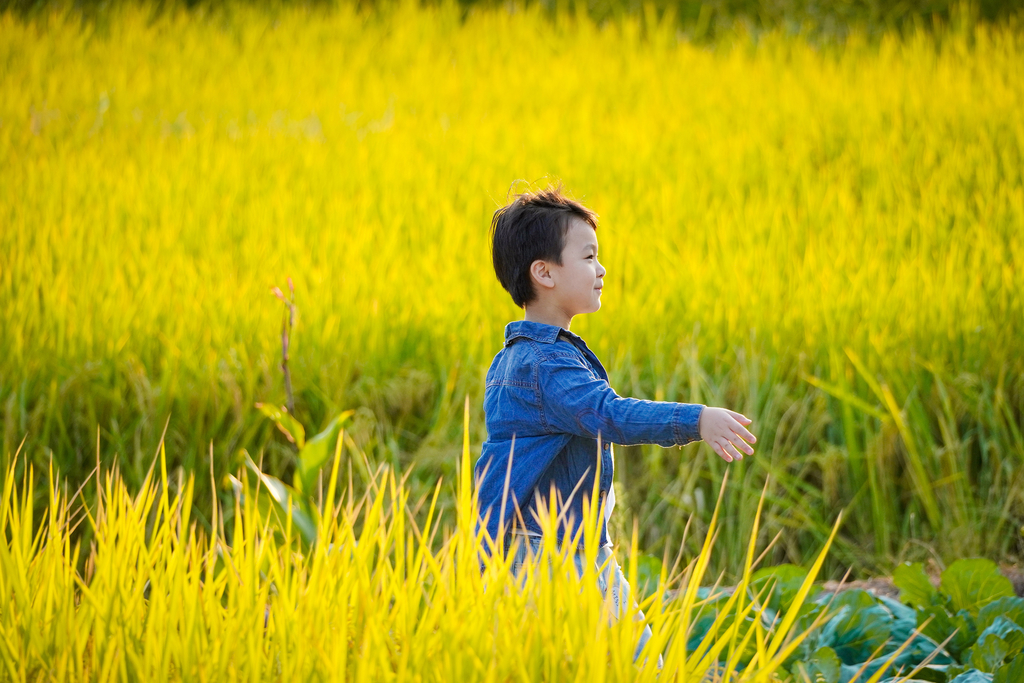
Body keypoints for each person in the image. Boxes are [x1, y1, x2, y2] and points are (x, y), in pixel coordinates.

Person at [474, 183, 757, 666]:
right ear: (543, 272)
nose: (601, 269)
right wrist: (697, 419)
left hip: (550, 549)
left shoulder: (516, 359)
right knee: (640, 667)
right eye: (587, 257)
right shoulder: (546, 365)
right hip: (551, 556)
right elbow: (610, 415)